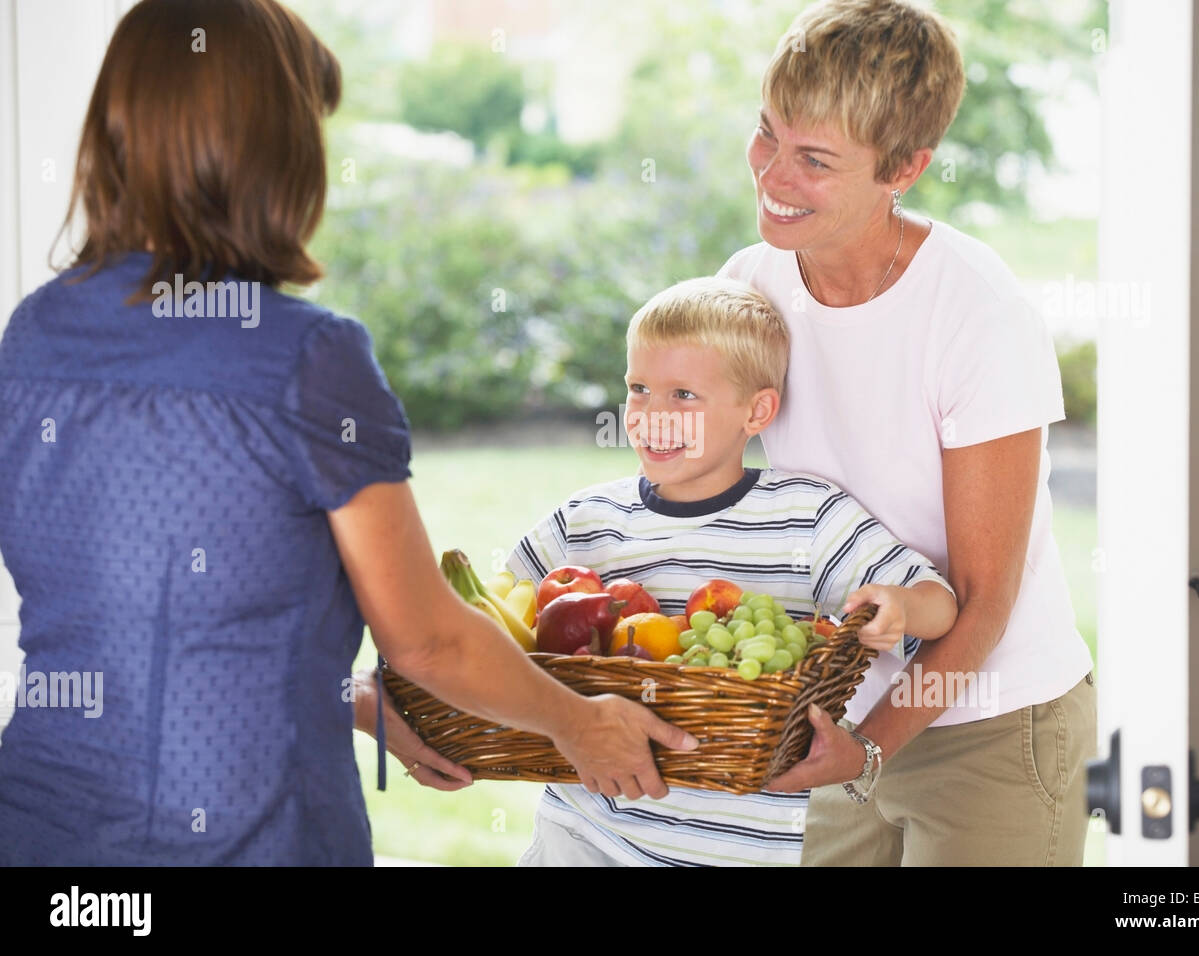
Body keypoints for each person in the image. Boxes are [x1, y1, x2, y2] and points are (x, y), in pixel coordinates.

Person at [0, 0, 694, 866]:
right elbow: (428, 638)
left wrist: (356, 697)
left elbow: (149, 616)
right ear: (272, 153)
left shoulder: (33, 335)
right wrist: (581, 724)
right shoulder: (308, 356)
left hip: (45, 837)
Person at [719, 0, 1097, 865]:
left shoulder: (975, 311)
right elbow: (711, 509)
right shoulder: (750, 285)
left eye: (814, 160)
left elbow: (982, 595)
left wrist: (875, 743)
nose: (773, 175)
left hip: (993, 730)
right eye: (766, 134)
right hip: (835, 715)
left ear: (906, 169)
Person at [507, 277, 957, 866]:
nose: (653, 415)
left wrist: (899, 605)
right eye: (638, 388)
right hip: (587, 841)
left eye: (684, 396)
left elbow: (940, 604)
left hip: (746, 849)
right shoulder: (587, 522)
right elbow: (487, 621)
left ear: (758, 411)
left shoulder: (806, 516)